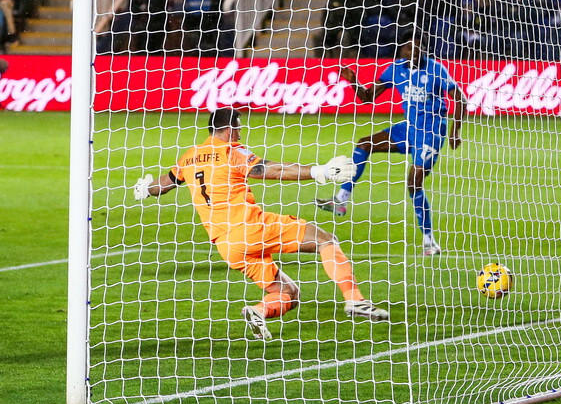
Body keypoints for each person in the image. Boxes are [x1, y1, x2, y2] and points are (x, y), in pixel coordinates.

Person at [132, 108, 388, 341]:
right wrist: (317, 172)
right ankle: (355, 300)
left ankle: (258, 311)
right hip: (250, 228)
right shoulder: (232, 151)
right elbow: (269, 170)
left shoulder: (189, 157)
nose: (240, 133)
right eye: (239, 128)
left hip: (227, 246)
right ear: (230, 128)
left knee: (289, 291)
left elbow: (164, 184)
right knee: (325, 240)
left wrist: (145, 188)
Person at [316, 32, 465, 256]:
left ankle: (429, 240)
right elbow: (367, 97)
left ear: (424, 49)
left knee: (413, 183)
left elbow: (460, 99)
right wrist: (353, 80)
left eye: (418, 47)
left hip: (431, 133)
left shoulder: (436, 70)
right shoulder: (395, 69)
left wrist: (455, 132)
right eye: (409, 48)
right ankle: (341, 199)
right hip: (407, 128)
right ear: (402, 50)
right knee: (364, 144)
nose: (414, 52)